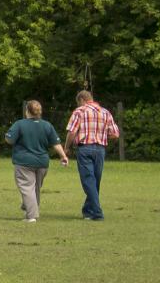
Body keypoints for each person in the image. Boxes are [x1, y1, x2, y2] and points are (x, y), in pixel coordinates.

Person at [6, 100, 69, 223]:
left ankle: (31, 216)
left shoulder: (19, 124)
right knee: (35, 188)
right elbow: (55, 143)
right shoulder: (47, 125)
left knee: (27, 188)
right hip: (42, 163)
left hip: (24, 162)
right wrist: (63, 156)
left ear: (27, 111)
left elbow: (10, 140)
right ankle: (29, 208)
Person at [65, 90, 120, 221]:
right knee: (95, 181)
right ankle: (88, 211)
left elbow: (72, 132)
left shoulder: (80, 111)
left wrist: (66, 147)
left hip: (84, 148)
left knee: (88, 180)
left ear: (81, 100)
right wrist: (102, 134)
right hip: (100, 149)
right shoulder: (105, 112)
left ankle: (97, 212)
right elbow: (115, 134)